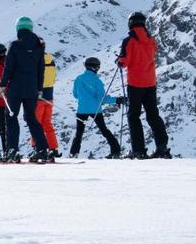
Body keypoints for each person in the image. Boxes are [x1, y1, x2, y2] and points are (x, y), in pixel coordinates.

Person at [117, 11, 171, 159]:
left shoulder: (129, 41)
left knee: (134, 116)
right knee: (153, 115)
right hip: (150, 82)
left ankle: (138, 150)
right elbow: (152, 54)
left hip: (135, 83)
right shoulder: (151, 40)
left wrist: (119, 61)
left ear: (131, 23)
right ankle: (162, 147)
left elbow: (124, 61)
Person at [0, 17, 49, 163]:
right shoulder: (39, 46)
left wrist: (2, 85)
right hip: (32, 89)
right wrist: (39, 89)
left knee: (12, 117)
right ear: (31, 28)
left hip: (15, 89)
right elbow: (41, 70)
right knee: (31, 118)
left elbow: (8, 67)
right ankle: (42, 149)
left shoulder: (15, 45)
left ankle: (12, 150)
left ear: (18, 29)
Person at [70, 57, 124, 158]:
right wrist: (117, 100)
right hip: (95, 109)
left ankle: (73, 153)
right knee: (104, 130)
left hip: (82, 109)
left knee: (79, 133)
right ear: (96, 67)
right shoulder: (97, 81)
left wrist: (84, 97)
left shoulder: (78, 79)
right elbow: (102, 99)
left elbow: (75, 95)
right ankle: (115, 150)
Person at [35, 44, 60, 160]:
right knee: (47, 123)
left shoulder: (35, 59)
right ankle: (53, 148)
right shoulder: (51, 60)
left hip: (38, 96)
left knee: (36, 123)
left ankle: (38, 149)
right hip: (49, 96)